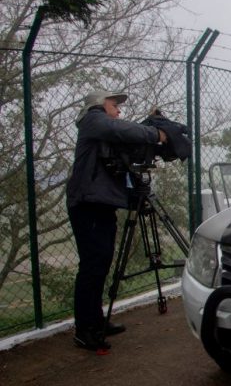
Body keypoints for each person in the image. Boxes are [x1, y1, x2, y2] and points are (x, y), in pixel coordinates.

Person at [66, 90, 167, 352]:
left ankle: (96, 321)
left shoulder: (103, 128)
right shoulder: (92, 120)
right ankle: (84, 330)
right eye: (115, 104)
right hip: (87, 204)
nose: (119, 110)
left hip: (100, 204)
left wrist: (150, 123)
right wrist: (155, 134)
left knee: (102, 262)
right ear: (100, 105)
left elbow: (123, 134)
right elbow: (120, 129)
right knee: (92, 265)